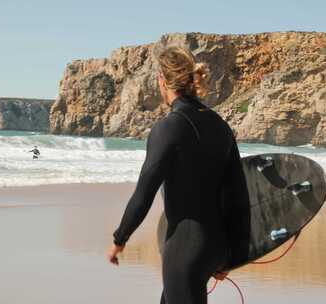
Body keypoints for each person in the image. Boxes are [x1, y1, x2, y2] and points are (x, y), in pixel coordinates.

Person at [107, 45, 250, 304]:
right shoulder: (220, 126)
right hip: (216, 246)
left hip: (185, 250)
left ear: (162, 80)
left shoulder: (168, 128)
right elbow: (238, 196)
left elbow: (144, 193)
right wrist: (234, 254)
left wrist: (120, 238)